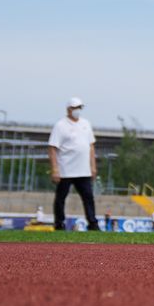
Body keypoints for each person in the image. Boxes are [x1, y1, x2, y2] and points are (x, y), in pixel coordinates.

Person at [47, 97, 100, 232]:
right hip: (66, 170)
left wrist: (93, 166)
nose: (77, 110)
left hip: (83, 170)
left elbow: (91, 146)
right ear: (68, 109)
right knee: (61, 198)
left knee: (88, 197)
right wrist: (55, 169)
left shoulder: (86, 124)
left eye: (79, 108)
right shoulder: (60, 125)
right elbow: (52, 148)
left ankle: (93, 224)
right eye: (75, 108)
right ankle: (59, 224)